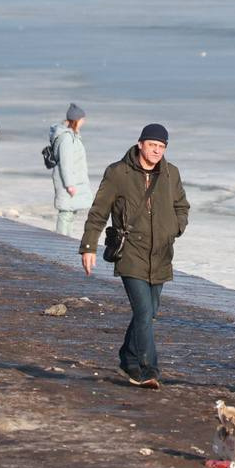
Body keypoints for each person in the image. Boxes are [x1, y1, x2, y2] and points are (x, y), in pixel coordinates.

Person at [79, 124, 189, 390]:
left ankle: (127, 357)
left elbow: (182, 205)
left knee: (149, 314)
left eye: (162, 147)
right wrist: (88, 247)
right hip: (130, 252)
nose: (157, 151)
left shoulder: (170, 173)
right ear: (140, 144)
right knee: (143, 312)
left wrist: (175, 228)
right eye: (153, 145)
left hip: (161, 254)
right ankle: (147, 369)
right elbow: (99, 211)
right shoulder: (118, 173)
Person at [49, 103, 92, 237]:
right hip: (67, 182)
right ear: (76, 120)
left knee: (70, 213)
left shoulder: (72, 136)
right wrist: (70, 185)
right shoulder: (67, 138)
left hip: (73, 181)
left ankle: (66, 238)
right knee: (66, 213)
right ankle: (61, 240)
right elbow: (65, 163)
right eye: (82, 119)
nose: (83, 121)